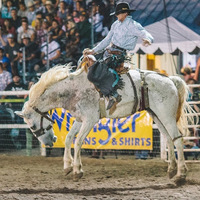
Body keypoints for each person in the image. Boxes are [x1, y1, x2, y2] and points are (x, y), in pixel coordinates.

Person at [84, 2, 154, 110]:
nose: (116, 16)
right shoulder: (115, 24)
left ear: (124, 13)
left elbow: (145, 33)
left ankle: (114, 95)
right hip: (109, 52)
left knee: (101, 70)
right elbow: (107, 40)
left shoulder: (133, 25)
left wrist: (148, 40)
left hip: (119, 54)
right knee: (91, 68)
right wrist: (93, 51)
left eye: (118, 14)